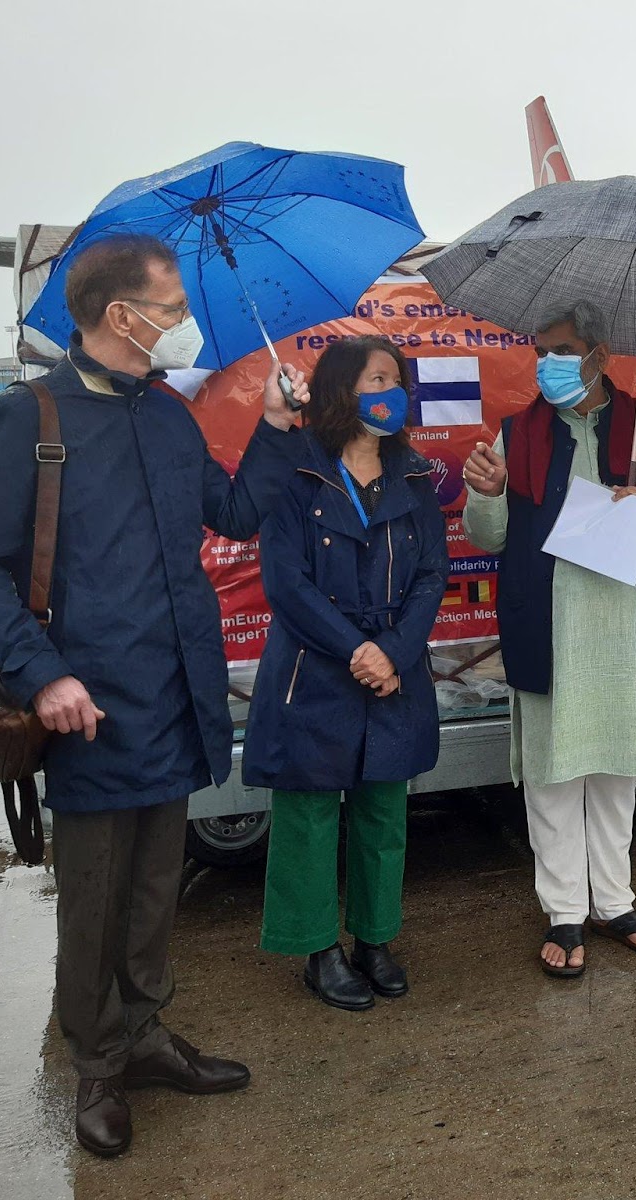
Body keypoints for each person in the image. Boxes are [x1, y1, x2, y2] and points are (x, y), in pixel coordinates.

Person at [0, 234, 310, 1156]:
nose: (184, 323)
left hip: (174, 695)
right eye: (172, 308)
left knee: (153, 888)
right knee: (93, 900)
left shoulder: (169, 415)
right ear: (121, 315)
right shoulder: (27, 418)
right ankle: (98, 1063)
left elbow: (232, 513)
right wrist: (43, 674)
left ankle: (144, 1033)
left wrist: (273, 427)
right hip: (89, 708)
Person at [461, 301, 636, 978]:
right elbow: (489, 536)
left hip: (623, 630)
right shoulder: (517, 432)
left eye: (563, 351)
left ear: (599, 356)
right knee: (553, 776)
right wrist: (488, 493)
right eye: (540, 351)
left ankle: (615, 905)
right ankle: (565, 911)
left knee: (616, 773)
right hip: (548, 627)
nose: (548, 364)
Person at [242, 336, 448, 1011]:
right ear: (339, 390)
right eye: (376, 380)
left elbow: (431, 574)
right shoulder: (297, 468)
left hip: (393, 669)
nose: (391, 392)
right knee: (308, 815)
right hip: (314, 668)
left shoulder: (413, 473)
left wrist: (393, 651)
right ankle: (318, 950)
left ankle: (375, 939)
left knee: (383, 809)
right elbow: (286, 582)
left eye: (396, 380)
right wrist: (358, 650)